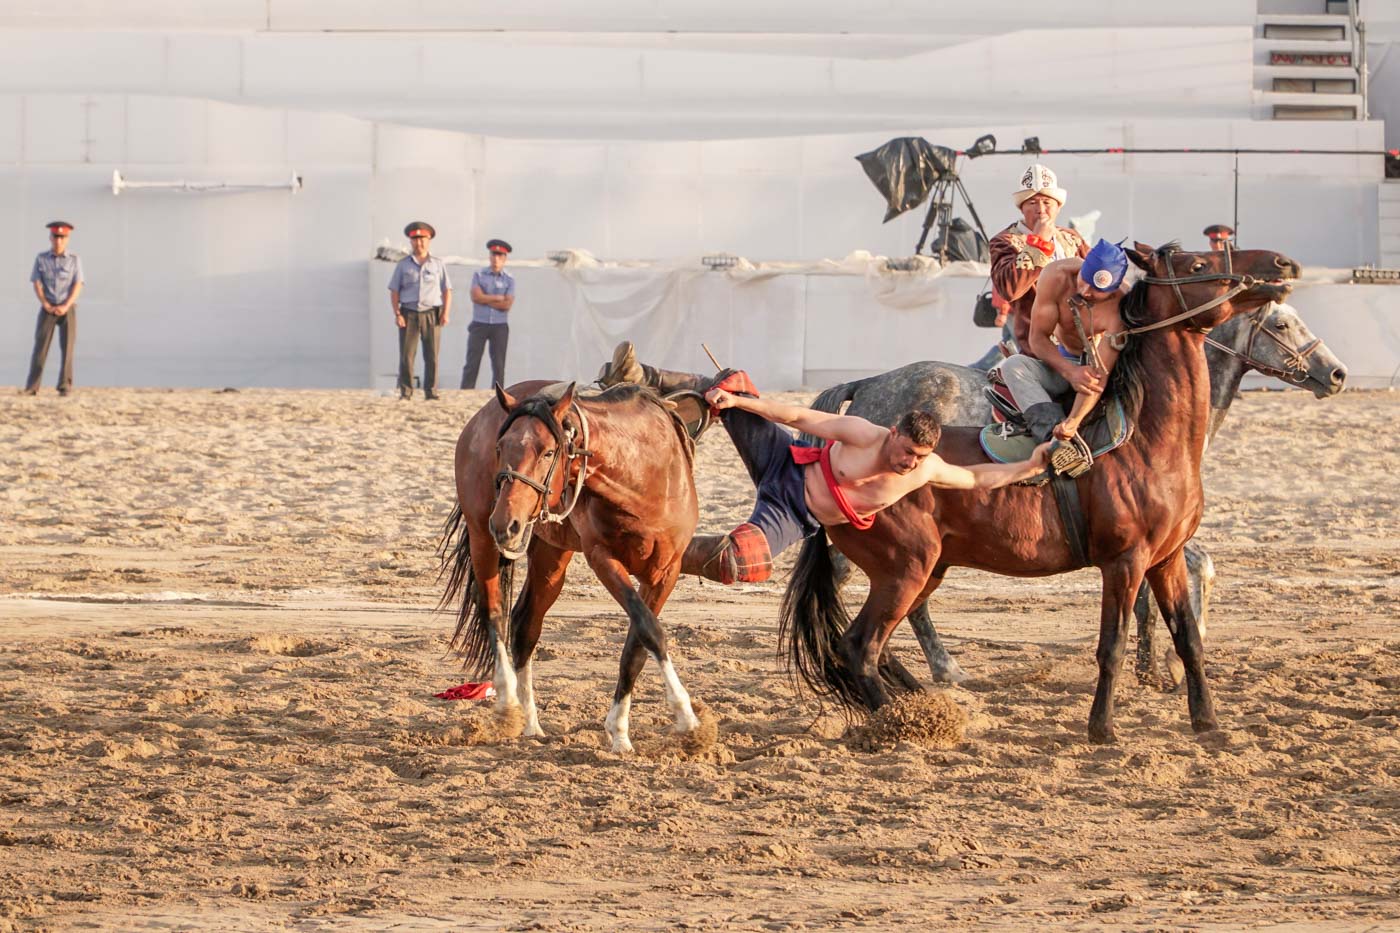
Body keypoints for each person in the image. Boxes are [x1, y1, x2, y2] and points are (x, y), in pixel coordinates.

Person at [598, 344, 1049, 584]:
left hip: (794, 513)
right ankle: (646, 378)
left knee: (743, 563)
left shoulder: (926, 469)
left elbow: (974, 476)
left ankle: (665, 555)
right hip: (785, 463)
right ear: (894, 434)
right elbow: (797, 416)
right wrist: (737, 402)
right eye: (907, 451)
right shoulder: (864, 434)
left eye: (919, 457)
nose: (910, 463)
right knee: (731, 387)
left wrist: (1029, 466)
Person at [992, 239, 1131, 446]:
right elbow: (1037, 338)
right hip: (1064, 362)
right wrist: (1069, 371)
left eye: (1096, 290)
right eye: (1084, 280)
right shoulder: (1056, 275)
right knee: (1014, 365)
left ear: (1114, 288)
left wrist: (1074, 420)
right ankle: (1053, 440)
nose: (1085, 292)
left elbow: (1099, 376)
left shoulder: (1122, 304)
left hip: (1105, 374)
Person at [988, 164, 1090, 355]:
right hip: (1036, 345)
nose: (1040, 210)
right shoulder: (1005, 241)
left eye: (1047, 202)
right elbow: (1010, 289)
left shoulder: (1071, 237)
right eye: (1032, 203)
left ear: (1058, 207)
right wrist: (1039, 242)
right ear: (1022, 208)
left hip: (1082, 341)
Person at [388, 221, 452, 400]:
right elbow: (394, 291)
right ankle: (406, 392)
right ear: (411, 242)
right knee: (407, 356)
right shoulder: (403, 265)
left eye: (422, 239)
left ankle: (431, 392)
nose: (419, 243)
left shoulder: (438, 264)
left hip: (432, 314)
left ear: (429, 240)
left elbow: (447, 289)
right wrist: (397, 314)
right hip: (409, 314)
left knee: (432, 356)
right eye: (415, 239)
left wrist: (446, 313)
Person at [23, 221, 84, 396]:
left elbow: (78, 284)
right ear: (50, 237)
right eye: (56, 237)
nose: (59, 241)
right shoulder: (41, 258)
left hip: (68, 308)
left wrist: (66, 305)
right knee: (40, 348)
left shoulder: (74, 260)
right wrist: (45, 304)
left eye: (62, 237)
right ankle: (32, 387)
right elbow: (36, 283)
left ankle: (64, 386)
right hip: (47, 307)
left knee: (67, 349)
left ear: (67, 239)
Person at [461, 238, 514, 390]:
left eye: (500, 256)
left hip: (499, 325)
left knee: (498, 363)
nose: (496, 258)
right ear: (490, 256)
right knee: (472, 361)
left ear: (504, 258)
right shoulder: (479, 275)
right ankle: (466, 390)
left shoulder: (509, 279)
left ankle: (497, 393)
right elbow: (475, 297)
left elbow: (507, 304)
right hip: (479, 323)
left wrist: (485, 299)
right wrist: (497, 297)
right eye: (493, 254)